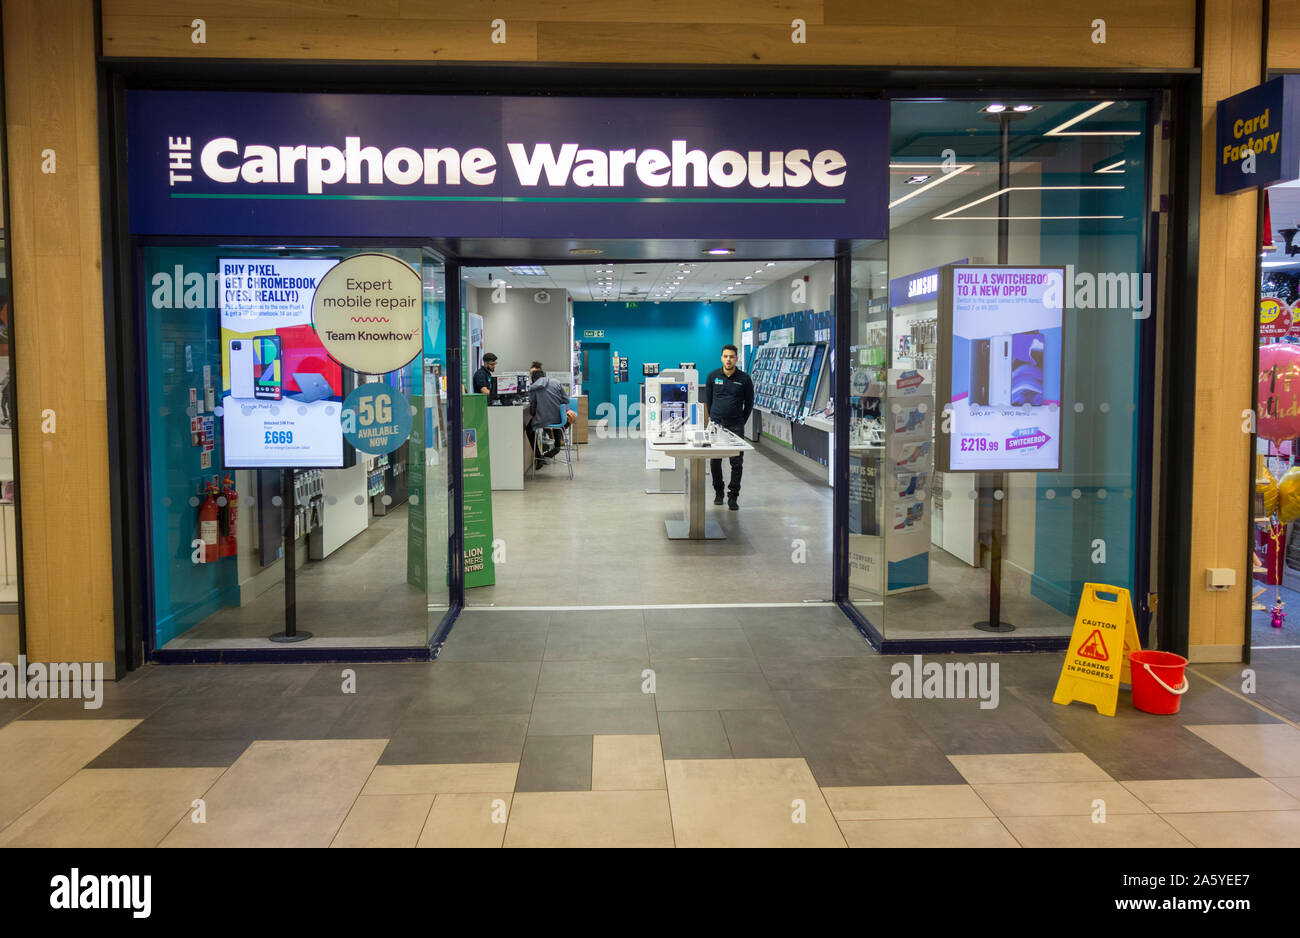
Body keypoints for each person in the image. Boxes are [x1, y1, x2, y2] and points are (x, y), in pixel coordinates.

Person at [703, 344, 754, 510]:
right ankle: (719, 492)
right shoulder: (712, 376)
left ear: (736, 358)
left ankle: (733, 496)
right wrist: (713, 417)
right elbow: (708, 400)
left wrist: (741, 421)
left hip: (736, 425)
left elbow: (749, 403)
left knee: (736, 462)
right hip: (716, 425)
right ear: (721, 358)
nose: (728, 359)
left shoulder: (744, 379)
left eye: (731, 356)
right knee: (715, 461)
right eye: (725, 356)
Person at [526, 367, 574, 467]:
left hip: (543, 420)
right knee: (558, 423)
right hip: (560, 420)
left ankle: (539, 457)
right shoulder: (556, 382)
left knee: (529, 429)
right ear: (544, 376)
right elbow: (566, 400)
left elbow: (533, 410)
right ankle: (556, 447)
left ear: (533, 379)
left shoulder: (532, 388)